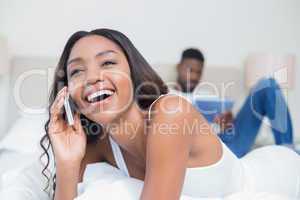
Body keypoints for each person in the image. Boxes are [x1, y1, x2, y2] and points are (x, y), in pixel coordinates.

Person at [1, 29, 299, 200]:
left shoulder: (170, 112)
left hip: (276, 173)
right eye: (77, 71)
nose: (92, 77)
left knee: (268, 88)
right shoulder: (99, 148)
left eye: (107, 63)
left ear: (133, 73)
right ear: (70, 96)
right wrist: (66, 163)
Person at [173, 48, 294, 157]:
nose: (194, 76)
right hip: (204, 147)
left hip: (230, 140)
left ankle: (289, 152)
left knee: (268, 84)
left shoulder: (208, 94)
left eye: (198, 72)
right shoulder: (168, 94)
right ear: (179, 67)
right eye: (190, 70)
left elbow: (228, 125)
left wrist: (227, 121)